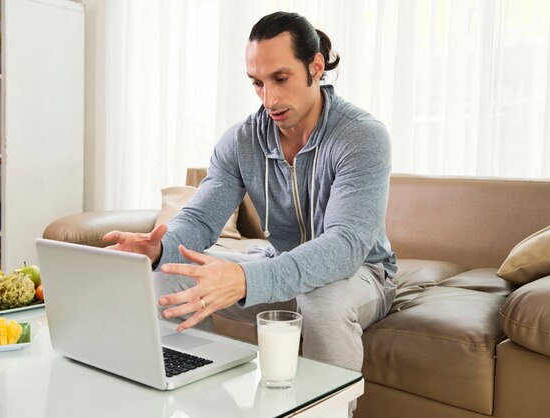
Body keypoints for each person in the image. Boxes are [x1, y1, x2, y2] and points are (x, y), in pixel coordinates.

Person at [104, 11, 397, 416]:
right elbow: (201, 220)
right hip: (279, 263)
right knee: (170, 277)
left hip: (360, 273)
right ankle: (200, 402)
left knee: (321, 301)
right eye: (258, 83)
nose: (269, 99)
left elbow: (345, 246)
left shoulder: (361, 135)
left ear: (315, 67)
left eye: (281, 79)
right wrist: (159, 249)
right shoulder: (242, 140)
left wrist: (244, 278)